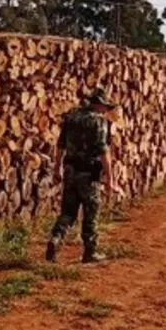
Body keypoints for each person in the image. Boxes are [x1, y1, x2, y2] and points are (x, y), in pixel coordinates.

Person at [46, 88, 118, 264]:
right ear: (99, 104)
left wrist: (57, 168)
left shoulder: (71, 117)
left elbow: (60, 144)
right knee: (91, 211)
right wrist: (110, 178)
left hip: (70, 170)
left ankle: (56, 238)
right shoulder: (98, 121)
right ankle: (90, 251)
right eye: (105, 107)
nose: (106, 110)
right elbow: (103, 151)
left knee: (68, 211)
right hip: (89, 172)